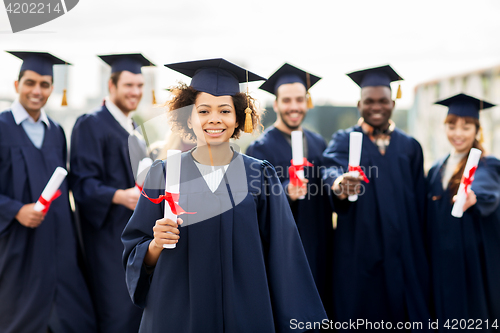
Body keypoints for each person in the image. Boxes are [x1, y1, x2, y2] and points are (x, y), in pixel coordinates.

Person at [122, 58, 327, 332]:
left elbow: (285, 256)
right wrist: (155, 243)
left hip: (244, 314)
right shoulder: (163, 174)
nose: (215, 119)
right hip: (179, 317)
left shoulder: (260, 176)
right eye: (203, 110)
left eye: (225, 110)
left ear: (238, 117)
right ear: (189, 117)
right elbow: (136, 254)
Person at [322, 65, 431, 329]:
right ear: (359, 104)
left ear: (393, 103)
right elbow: (330, 169)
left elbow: (419, 202)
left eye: (383, 101)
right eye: (369, 102)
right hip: (361, 250)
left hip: (405, 251)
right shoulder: (344, 141)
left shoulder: (410, 146)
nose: (376, 107)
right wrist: (339, 183)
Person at [0, 51, 96, 332]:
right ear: (17, 85)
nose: (36, 91)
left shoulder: (56, 131)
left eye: (44, 84)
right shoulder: (1, 128)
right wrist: (16, 210)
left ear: (52, 88)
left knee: (73, 317)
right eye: (30, 83)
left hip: (57, 243)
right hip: (18, 244)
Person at [69, 53, 154, 332]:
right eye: (129, 85)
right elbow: (81, 183)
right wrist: (120, 195)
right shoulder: (91, 123)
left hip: (134, 237)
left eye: (140, 86)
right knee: (116, 314)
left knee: (135, 312)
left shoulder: (133, 128)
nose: (136, 92)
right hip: (106, 238)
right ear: (112, 85)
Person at [245, 63, 332, 313]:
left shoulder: (318, 143)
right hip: (282, 250)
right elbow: (253, 203)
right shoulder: (260, 150)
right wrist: (284, 191)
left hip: (319, 244)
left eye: (299, 100)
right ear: (276, 104)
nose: (294, 107)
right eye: (287, 100)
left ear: (307, 102)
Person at [427, 93, 500, 331]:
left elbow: (486, 189)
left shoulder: (488, 165)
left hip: (470, 262)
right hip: (441, 259)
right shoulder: (438, 167)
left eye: (466, 127)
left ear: (477, 129)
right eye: (452, 125)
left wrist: (472, 198)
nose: (458, 133)